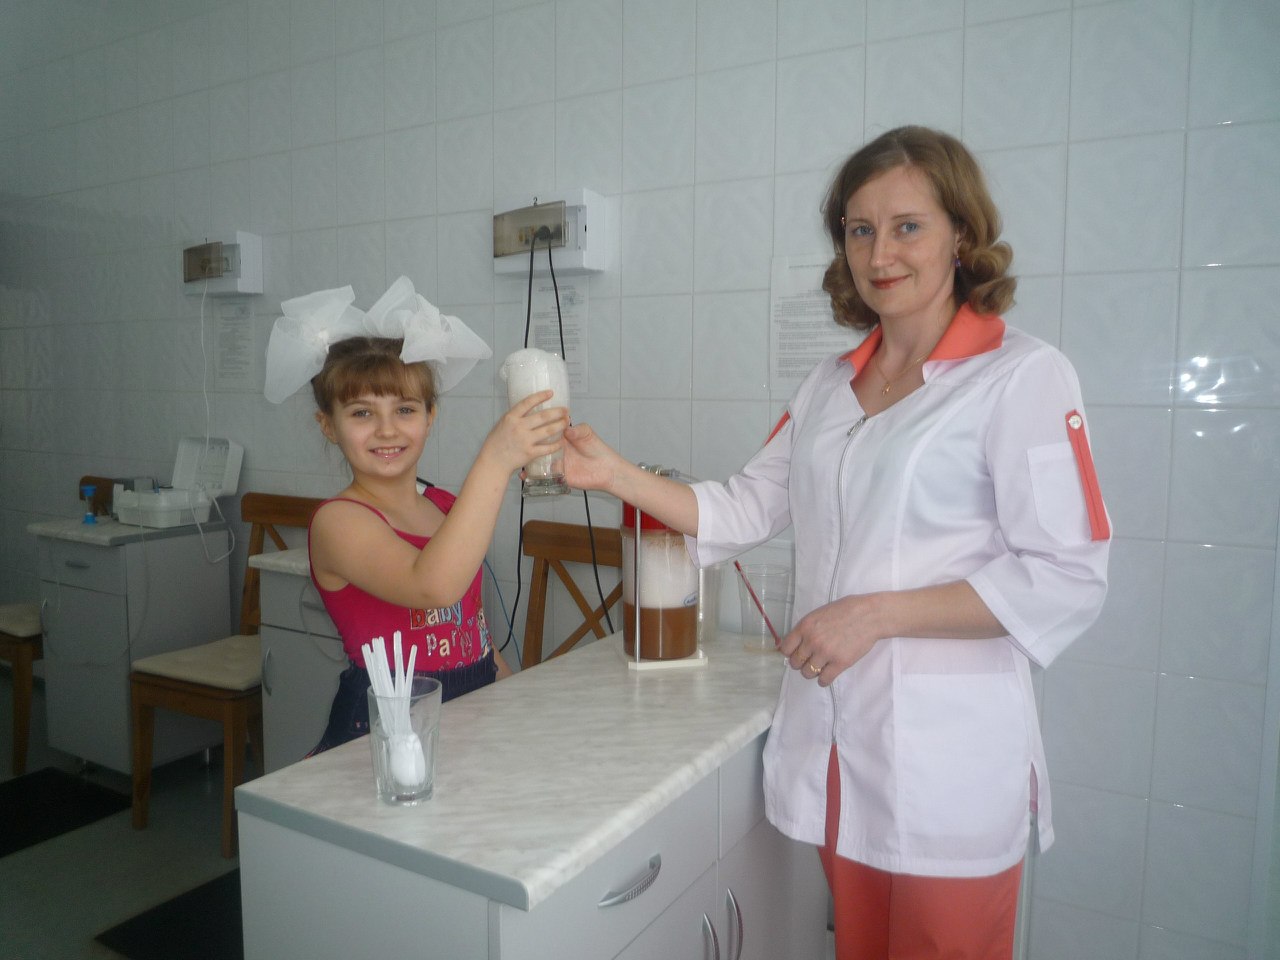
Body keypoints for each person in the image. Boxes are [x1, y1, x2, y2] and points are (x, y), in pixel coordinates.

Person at [562, 126, 1110, 959]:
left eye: (907, 226)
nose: (880, 253)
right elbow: (746, 506)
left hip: (947, 767)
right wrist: (614, 475)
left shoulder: (1021, 376)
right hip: (837, 753)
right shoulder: (829, 384)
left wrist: (877, 614)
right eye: (860, 229)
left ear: (961, 235)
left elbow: (1067, 574)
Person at [263, 277, 567, 755]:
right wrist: (496, 459)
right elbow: (433, 586)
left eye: (404, 409)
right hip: (384, 731)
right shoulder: (338, 522)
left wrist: (520, 706)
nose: (387, 430)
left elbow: (474, 633)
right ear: (328, 426)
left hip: (470, 712)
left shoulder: (445, 506)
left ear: (430, 416)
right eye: (362, 413)